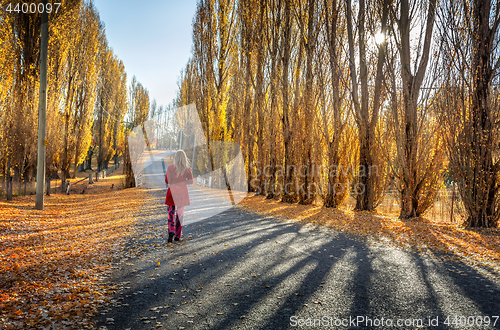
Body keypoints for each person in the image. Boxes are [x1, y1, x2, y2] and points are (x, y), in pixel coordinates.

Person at [165, 150, 193, 243]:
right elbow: (191, 181)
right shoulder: (187, 169)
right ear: (184, 158)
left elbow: (167, 181)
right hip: (182, 193)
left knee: (171, 213)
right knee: (180, 214)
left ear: (175, 158)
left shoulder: (170, 168)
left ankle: (171, 231)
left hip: (172, 193)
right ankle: (177, 235)